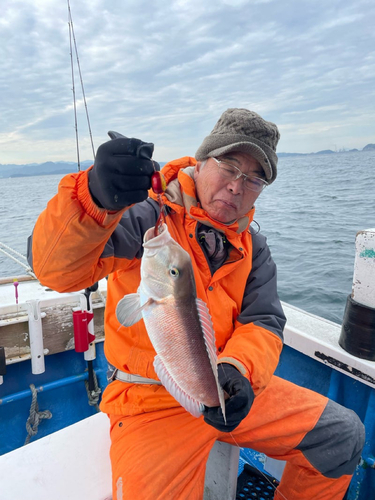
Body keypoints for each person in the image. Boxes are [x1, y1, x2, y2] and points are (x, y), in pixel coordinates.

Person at [27, 108, 365, 500]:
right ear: (202, 161)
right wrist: (96, 198)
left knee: (342, 435)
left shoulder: (253, 248)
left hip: (224, 388)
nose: (238, 186)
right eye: (229, 165)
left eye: (255, 178)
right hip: (149, 401)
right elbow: (56, 271)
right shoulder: (146, 216)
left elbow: (265, 321)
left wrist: (238, 371)